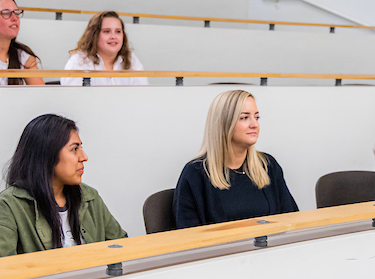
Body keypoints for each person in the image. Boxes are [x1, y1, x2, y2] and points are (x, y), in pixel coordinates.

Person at [0, 114, 126, 258]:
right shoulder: (11, 204)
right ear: (47, 155)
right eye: (74, 149)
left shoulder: (89, 196)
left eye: (81, 148)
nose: (84, 157)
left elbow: (122, 248)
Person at [173, 89, 298, 228]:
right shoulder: (196, 173)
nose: (254, 124)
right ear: (224, 123)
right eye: (244, 117)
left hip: (269, 249)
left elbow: (291, 220)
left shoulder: (268, 165)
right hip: (222, 250)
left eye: (256, 117)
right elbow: (188, 236)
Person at [61, 11, 148, 86]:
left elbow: (143, 95)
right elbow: (73, 99)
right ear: (94, 35)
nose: (113, 36)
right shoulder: (79, 60)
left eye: (118, 31)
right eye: (106, 31)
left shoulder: (131, 59)